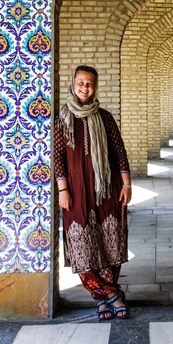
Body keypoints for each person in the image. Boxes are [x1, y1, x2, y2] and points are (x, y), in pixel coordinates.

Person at [54, 65, 132, 321]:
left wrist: (127, 184)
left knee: (110, 244)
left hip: (107, 191)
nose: (84, 88)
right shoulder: (63, 119)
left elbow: (119, 152)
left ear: (95, 86)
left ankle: (106, 297)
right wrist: (62, 189)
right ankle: (108, 297)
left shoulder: (105, 117)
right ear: (73, 84)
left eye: (89, 84)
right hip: (76, 192)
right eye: (80, 83)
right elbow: (58, 158)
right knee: (83, 247)